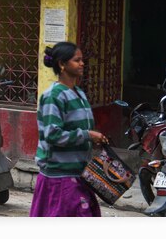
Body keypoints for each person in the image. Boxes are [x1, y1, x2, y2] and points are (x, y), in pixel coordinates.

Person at [29, 41, 108, 217]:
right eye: (76, 60)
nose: (82, 64)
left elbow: (80, 130)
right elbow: (53, 135)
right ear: (62, 64)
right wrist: (88, 135)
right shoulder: (53, 96)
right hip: (59, 177)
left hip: (79, 173)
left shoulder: (79, 93)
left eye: (82, 60)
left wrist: (94, 139)